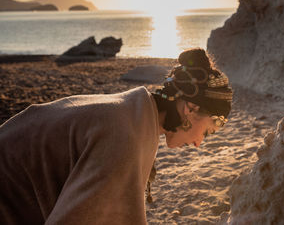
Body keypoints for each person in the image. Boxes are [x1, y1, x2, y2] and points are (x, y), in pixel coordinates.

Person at [0, 48, 233, 225]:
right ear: (190, 108)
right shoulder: (124, 139)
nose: (198, 142)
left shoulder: (130, 111)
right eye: (208, 131)